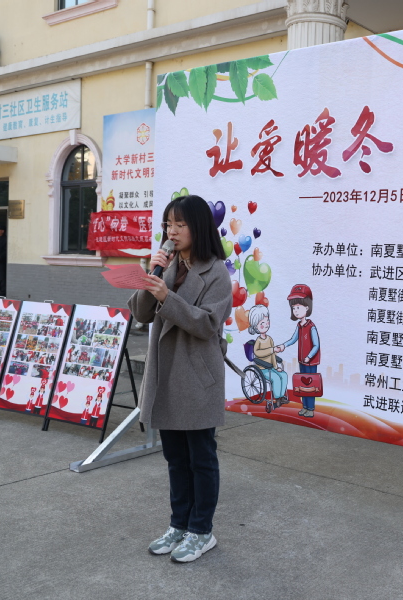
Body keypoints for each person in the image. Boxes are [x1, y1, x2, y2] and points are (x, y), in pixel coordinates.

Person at [128, 194, 231, 563]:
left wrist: (167, 297)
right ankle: (179, 524)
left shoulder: (216, 272)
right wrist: (151, 275)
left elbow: (207, 324)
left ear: (198, 227)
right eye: (168, 224)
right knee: (175, 456)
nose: (171, 232)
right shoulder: (167, 265)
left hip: (197, 376)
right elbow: (141, 314)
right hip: (167, 373)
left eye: (180, 224)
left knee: (200, 457)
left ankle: (202, 531)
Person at [275, 284, 320, 418]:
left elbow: (316, 345)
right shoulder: (299, 325)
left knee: (310, 385)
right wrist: (283, 346)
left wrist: (309, 356)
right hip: (302, 360)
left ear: (307, 307)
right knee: (302, 384)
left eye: (298, 307)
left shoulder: (311, 326)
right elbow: (293, 339)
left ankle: (310, 408)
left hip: (310, 362)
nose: (295, 310)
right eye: (293, 308)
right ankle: (305, 407)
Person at [248, 304, 288, 403]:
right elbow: (258, 353)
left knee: (283, 375)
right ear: (256, 326)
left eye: (267, 321)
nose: (266, 324)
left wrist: (276, 367)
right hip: (262, 368)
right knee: (276, 378)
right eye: (262, 323)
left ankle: (281, 396)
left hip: (271, 367)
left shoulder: (269, 339)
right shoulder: (258, 341)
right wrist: (272, 350)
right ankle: (278, 398)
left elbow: (272, 355)